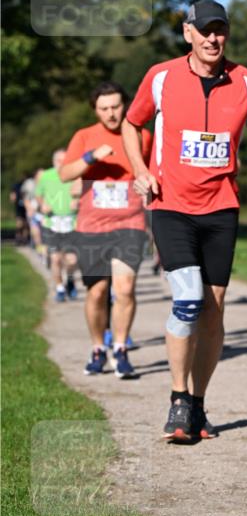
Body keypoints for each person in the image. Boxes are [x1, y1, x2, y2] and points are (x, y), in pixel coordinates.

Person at [121, 0, 247, 442]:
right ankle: (177, 399)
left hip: (222, 207)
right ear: (188, 33)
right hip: (170, 204)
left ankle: (199, 403)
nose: (214, 38)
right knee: (187, 298)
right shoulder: (161, 77)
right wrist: (140, 170)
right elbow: (132, 125)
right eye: (205, 30)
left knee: (213, 310)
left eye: (220, 30)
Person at [60, 82, 152, 378]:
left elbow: (152, 173)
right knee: (97, 291)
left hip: (130, 223)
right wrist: (91, 157)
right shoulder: (84, 136)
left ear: (125, 105)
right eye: (104, 109)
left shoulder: (142, 136)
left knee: (124, 289)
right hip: (92, 226)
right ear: (95, 110)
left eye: (115, 107)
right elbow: (64, 174)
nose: (111, 114)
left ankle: (121, 348)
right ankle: (98, 348)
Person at [35, 151, 79, 302]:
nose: (62, 162)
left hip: (72, 222)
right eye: (59, 160)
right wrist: (42, 205)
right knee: (55, 259)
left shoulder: (76, 174)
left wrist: (78, 201)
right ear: (54, 161)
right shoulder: (46, 176)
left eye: (65, 160)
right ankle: (60, 289)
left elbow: (85, 192)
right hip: (51, 222)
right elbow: (38, 194)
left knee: (72, 260)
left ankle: (71, 281)